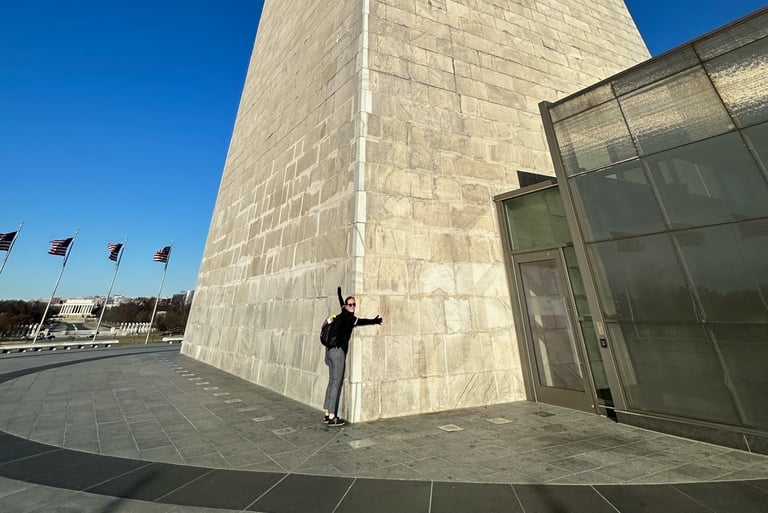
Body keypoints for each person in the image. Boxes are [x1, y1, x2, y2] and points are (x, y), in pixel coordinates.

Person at [323, 286, 382, 426]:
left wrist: (339, 295)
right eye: (351, 304)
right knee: (336, 383)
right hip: (338, 353)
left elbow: (339, 305)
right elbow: (361, 321)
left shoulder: (340, 314)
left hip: (329, 351)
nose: (353, 306)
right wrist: (374, 321)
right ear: (347, 306)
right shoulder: (350, 318)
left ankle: (326, 413)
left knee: (331, 381)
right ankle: (332, 416)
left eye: (354, 304)